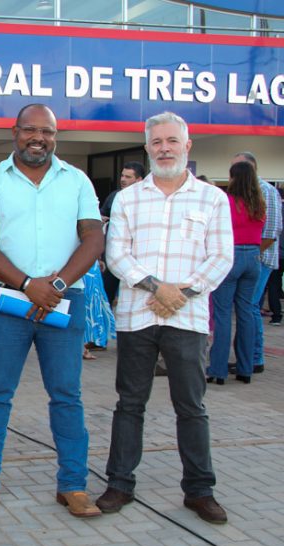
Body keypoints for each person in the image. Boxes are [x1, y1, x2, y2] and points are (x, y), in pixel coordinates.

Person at [0, 104, 104, 519]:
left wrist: (55, 287)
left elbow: (93, 240)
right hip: (9, 301)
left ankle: (73, 486)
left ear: (55, 136)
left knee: (67, 395)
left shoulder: (77, 180)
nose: (38, 138)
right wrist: (29, 285)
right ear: (15, 132)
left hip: (65, 301)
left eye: (47, 131)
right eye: (30, 130)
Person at [98, 111, 234, 524]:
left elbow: (222, 256)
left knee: (191, 406)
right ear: (147, 147)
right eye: (157, 142)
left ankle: (199, 490)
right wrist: (159, 289)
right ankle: (119, 484)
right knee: (129, 404)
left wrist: (182, 293)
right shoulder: (128, 198)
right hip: (138, 318)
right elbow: (116, 254)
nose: (164, 148)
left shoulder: (212, 199)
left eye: (172, 141)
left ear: (187, 145)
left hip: (187, 318)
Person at [206, 161, 265, 384]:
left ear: (233, 178)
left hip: (231, 255)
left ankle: (218, 370)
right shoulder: (259, 204)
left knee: (222, 314)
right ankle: (245, 369)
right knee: (247, 313)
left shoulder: (227, 202)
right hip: (253, 256)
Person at [230, 152, 281, 375]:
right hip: (252, 257)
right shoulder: (246, 192)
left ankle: (254, 358)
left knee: (249, 307)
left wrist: (248, 253)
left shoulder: (265, 190)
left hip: (258, 258)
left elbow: (271, 232)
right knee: (247, 307)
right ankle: (249, 357)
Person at [100, 162, 145, 305]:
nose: (123, 179)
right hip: (113, 254)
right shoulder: (115, 196)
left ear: (139, 180)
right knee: (107, 293)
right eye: (122, 175)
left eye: (128, 176)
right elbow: (101, 215)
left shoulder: (147, 200)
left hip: (138, 257)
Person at [82, 260, 116, 360]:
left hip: (88, 264)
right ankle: (83, 345)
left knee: (90, 301)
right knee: (88, 301)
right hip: (84, 264)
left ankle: (83, 345)